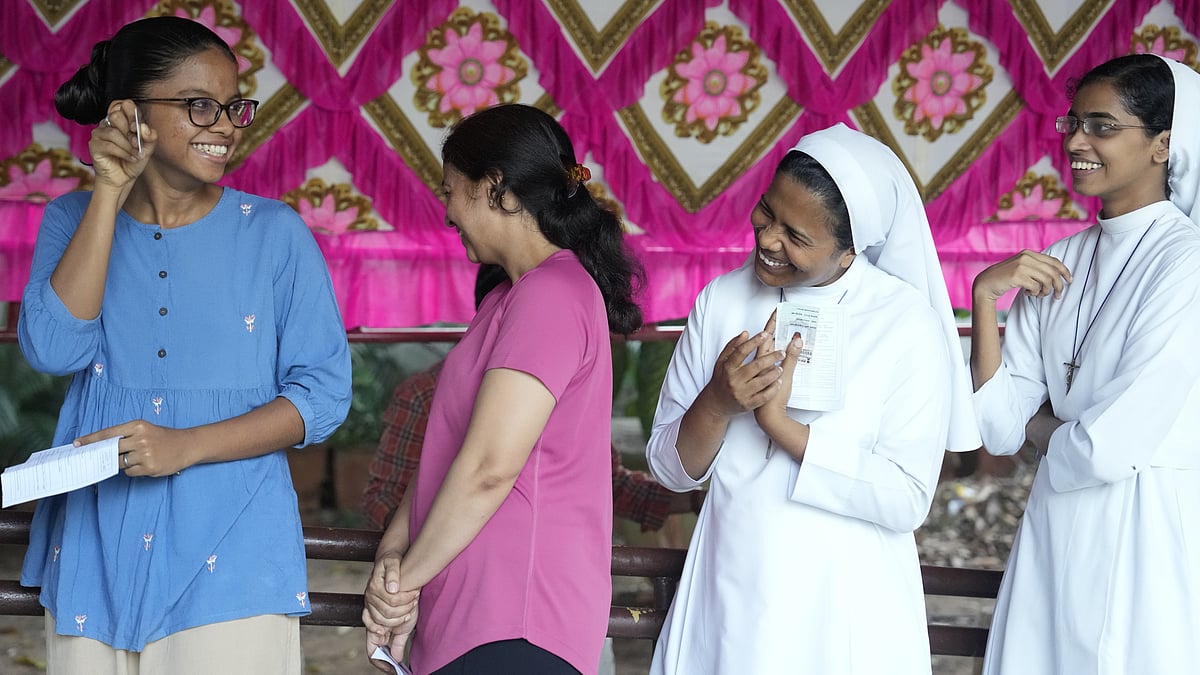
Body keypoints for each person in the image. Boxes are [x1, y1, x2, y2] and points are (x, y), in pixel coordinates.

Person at [16, 16, 351, 675]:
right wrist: (108, 190)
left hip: (234, 550)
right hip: (95, 551)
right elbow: (53, 350)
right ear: (127, 113)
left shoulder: (276, 234)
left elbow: (323, 395)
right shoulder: (72, 220)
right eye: (200, 105)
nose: (225, 125)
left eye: (233, 106)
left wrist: (186, 444)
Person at [645, 123, 981, 674]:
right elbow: (669, 470)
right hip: (732, 589)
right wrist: (716, 403)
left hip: (846, 606)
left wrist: (784, 429)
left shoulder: (904, 322)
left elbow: (906, 498)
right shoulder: (724, 301)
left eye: (796, 236)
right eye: (766, 213)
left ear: (849, 252)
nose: (768, 239)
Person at [363, 104, 643, 675]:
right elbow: (454, 452)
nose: (445, 212)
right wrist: (395, 556)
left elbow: (491, 466)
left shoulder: (554, 294)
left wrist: (402, 585)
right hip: (472, 616)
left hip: (517, 618)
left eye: (450, 191)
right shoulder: (505, 300)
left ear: (496, 189)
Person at [970, 54, 1200, 674]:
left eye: (1102, 126)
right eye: (1073, 123)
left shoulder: (1186, 263)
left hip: (1143, 523)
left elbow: (1109, 448)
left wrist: (1042, 429)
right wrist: (986, 296)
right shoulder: (1057, 260)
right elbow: (994, 427)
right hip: (1054, 524)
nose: (1075, 141)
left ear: (1162, 144)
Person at [361, 263, 700, 533]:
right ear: (493, 314)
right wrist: (427, 546)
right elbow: (385, 500)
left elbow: (608, 486)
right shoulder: (425, 395)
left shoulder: (571, 394)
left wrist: (702, 499)